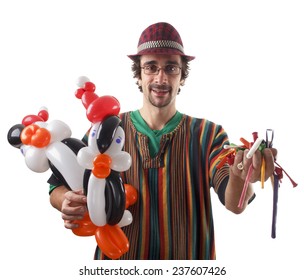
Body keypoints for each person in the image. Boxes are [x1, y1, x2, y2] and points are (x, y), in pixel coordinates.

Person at [49, 22, 277, 260]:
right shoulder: (106, 131)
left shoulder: (209, 135)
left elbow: (235, 204)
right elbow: (57, 184)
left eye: (171, 68)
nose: (161, 77)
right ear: (139, 74)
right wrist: (65, 200)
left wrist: (242, 176)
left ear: (182, 76)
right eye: (151, 67)